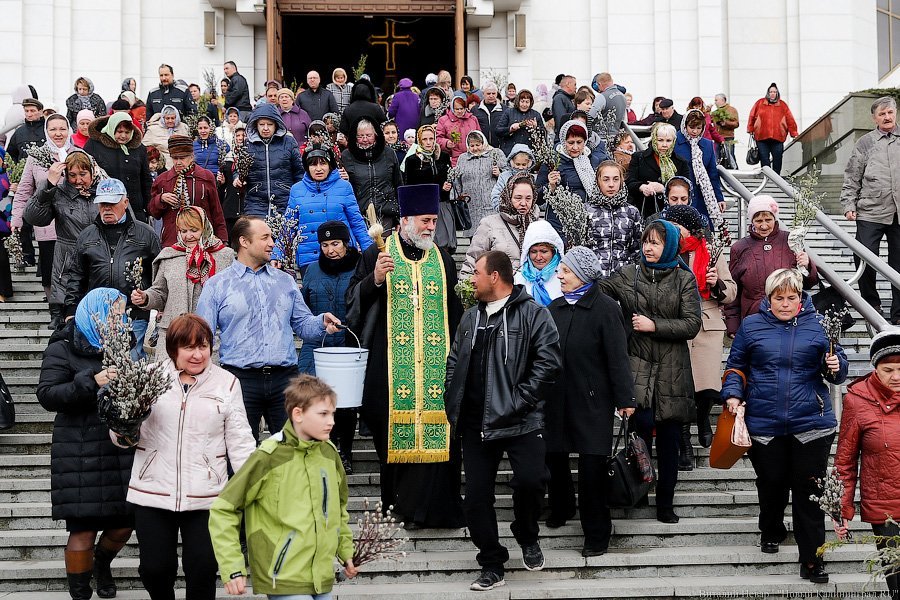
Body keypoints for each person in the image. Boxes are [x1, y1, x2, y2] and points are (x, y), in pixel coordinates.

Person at [346, 183, 464, 529]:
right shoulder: (377, 255)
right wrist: (375, 280)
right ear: (405, 221)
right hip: (389, 369)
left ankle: (437, 512)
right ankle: (402, 508)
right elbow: (351, 303)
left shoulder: (442, 259)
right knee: (393, 435)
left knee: (441, 436)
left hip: (435, 370)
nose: (431, 227)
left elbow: (454, 312)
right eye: (425, 220)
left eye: (434, 220)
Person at [114, 313, 255, 600]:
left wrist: (253, 485)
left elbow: (240, 441)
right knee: (154, 569)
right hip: (153, 490)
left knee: (203, 568)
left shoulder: (227, 383)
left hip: (208, 495)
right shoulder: (149, 378)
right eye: (189, 347)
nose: (198, 354)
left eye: (203, 346)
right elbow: (120, 435)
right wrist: (124, 429)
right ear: (173, 349)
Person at [444, 250, 562, 590]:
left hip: (521, 420)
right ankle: (492, 562)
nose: (471, 279)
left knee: (531, 482)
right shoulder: (470, 317)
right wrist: (452, 393)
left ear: (494, 276)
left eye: (476, 273)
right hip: (475, 423)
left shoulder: (534, 314)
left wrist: (519, 401)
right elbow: (454, 360)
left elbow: (549, 364)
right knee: (476, 498)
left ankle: (526, 533)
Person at [723, 268, 848, 584]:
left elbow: (838, 369)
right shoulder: (752, 326)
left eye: (792, 297)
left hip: (811, 423)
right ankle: (771, 528)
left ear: (800, 298)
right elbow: (736, 367)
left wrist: (836, 366)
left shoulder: (819, 324)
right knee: (771, 483)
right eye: (779, 298)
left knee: (810, 493)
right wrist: (733, 395)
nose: (785, 303)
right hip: (764, 423)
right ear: (769, 298)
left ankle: (812, 560)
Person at [208, 375, 357, 598]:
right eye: (323, 414)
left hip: (322, 577)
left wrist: (346, 551)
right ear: (298, 414)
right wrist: (232, 566)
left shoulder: (329, 454)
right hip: (283, 576)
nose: (331, 422)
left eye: (333, 414)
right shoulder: (268, 456)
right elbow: (224, 509)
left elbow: (339, 509)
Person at [196, 216, 342, 441]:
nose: (272, 243)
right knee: (241, 452)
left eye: (272, 237)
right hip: (239, 379)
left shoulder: (285, 281)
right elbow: (202, 336)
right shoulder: (217, 285)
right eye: (265, 238)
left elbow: (303, 325)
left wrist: (321, 322)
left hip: (285, 380)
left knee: (292, 449)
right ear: (244, 242)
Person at [596, 220, 702, 524]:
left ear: (668, 246)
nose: (648, 248)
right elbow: (598, 289)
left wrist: (654, 325)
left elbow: (692, 324)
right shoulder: (629, 274)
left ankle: (665, 503)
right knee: (638, 438)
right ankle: (637, 492)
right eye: (645, 242)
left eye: (655, 243)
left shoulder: (684, 278)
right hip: (638, 368)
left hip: (672, 371)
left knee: (669, 443)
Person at [36, 288, 136, 600]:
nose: (120, 320)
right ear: (96, 314)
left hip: (117, 446)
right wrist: (91, 381)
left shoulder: (125, 344)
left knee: (125, 522)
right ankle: (80, 593)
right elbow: (47, 395)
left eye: (121, 314)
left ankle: (101, 564)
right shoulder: (62, 347)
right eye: (114, 314)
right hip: (79, 448)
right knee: (83, 528)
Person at [545, 246, 635, 551]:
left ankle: (597, 535)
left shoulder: (606, 308)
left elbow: (618, 357)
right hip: (556, 398)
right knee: (554, 455)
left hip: (593, 401)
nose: (559, 275)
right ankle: (561, 508)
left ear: (583, 275)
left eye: (566, 271)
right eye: (561, 270)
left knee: (591, 469)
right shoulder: (554, 308)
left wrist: (625, 399)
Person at [663, 204, 736, 468]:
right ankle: (684, 443)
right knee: (681, 388)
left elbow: (731, 292)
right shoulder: (665, 250)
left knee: (707, 387)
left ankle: (703, 417)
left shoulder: (710, 250)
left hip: (707, 323)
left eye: (677, 226)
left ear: (689, 228)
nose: (673, 231)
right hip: (676, 324)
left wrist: (716, 283)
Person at [834, 329, 900, 600]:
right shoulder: (857, 400)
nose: (896, 377)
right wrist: (842, 510)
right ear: (875, 369)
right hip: (884, 506)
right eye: (888, 370)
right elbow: (845, 460)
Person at [63, 178, 160, 354]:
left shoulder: (146, 234)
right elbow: (76, 275)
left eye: (112, 203)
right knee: (99, 366)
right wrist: (71, 310)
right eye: (103, 204)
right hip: (96, 316)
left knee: (132, 363)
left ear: (125, 203)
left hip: (134, 314)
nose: (107, 208)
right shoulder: (86, 236)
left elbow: (159, 276)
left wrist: (155, 302)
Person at [298, 220, 362, 472]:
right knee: (316, 400)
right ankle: (322, 450)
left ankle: (344, 452)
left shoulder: (359, 267)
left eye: (335, 243)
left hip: (348, 343)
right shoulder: (312, 270)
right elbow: (303, 308)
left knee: (345, 403)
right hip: (317, 344)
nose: (330, 250)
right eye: (325, 245)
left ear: (346, 243)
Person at [131, 206, 234, 358]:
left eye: (194, 230)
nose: (188, 236)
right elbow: (160, 292)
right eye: (183, 231)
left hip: (211, 336)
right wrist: (145, 297)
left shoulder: (225, 256)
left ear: (205, 228)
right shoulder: (169, 255)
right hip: (172, 335)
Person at [23, 150, 101, 328]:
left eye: (83, 174)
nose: (78, 180)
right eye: (72, 175)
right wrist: (48, 185)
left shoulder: (104, 191)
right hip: (68, 261)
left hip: (99, 259)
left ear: (92, 172)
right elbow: (33, 217)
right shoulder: (59, 193)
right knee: (68, 326)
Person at [11, 113, 74, 326]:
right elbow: (24, 190)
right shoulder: (36, 157)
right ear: (46, 131)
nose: (58, 133)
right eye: (53, 129)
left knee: (74, 272)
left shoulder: (78, 154)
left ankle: (71, 312)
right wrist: (17, 219)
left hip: (75, 225)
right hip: (47, 226)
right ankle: (55, 312)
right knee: (49, 271)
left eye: (62, 129)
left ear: (69, 130)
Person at [841, 96, 900, 324]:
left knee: (899, 264)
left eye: (890, 112)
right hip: (870, 211)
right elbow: (852, 175)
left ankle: (898, 314)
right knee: (863, 256)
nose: (887, 117)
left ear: (895, 113)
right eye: (882, 114)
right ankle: (871, 303)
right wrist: (849, 204)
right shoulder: (865, 142)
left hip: (898, 213)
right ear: (874, 118)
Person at [726, 195, 817, 336]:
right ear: (752, 221)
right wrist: (733, 326)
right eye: (758, 221)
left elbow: (808, 283)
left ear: (775, 219)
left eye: (768, 220)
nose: (764, 226)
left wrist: (808, 265)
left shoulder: (791, 241)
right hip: (754, 319)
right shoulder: (739, 248)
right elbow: (733, 291)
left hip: (789, 318)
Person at [278, 143, 371, 270]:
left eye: (323, 163)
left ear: (330, 165)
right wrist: (278, 254)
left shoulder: (344, 187)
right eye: (313, 164)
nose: (318, 169)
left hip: (342, 256)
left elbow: (357, 222)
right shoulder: (296, 190)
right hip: (309, 258)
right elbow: (288, 226)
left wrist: (369, 251)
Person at [148, 134, 228, 247]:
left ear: (191, 156)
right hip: (172, 242)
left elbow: (216, 211)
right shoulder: (162, 180)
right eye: (175, 158)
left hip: (202, 242)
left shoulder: (206, 177)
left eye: (182, 158)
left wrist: (222, 239)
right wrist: (160, 199)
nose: (178, 162)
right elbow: (153, 212)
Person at [461, 173, 538, 278]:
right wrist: (466, 284)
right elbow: (472, 262)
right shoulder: (489, 224)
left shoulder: (539, 226)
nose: (523, 203)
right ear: (508, 197)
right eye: (518, 198)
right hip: (498, 286)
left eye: (528, 198)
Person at [235, 103, 304, 217]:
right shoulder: (247, 145)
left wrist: (298, 196)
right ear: (256, 125)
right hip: (255, 203)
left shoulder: (289, 142)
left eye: (270, 124)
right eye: (262, 124)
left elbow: (299, 172)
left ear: (276, 124)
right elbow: (238, 168)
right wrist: (237, 178)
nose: (265, 128)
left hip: (285, 202)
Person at [85, 111, 153, 222]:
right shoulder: (94, 145)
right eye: (119, 131)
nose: (123, 136)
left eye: (127, 132)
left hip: (135, 208)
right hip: (106, 208)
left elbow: (145, 179)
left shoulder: (139, 149)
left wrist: (149, 206)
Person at [402, 125, 455, 253]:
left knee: (444, 243)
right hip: (422, 206)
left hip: (441, 203)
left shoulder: (443, 157)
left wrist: (448, 185)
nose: (428, 142)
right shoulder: (412, 160)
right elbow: (410, 185)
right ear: (419, 140)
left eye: (431, 139)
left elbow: (449, 176)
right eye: (425, 139)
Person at [341, 116, 402, 229]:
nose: (365, 139)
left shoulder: (388, 153)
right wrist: (344, 179)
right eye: (360, 136)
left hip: (386, 212)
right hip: (358, 214)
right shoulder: (346, 156)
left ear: (376, 135)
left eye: (369, 135)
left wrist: (400, 216)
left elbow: (398, 183)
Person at [587, 160, 643, 277]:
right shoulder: (586, 211)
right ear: (597, 181)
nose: (611, 184)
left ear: (621, 181)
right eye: (606, 179)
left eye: (616, 179)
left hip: (624, 279)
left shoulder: (632, 212)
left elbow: (637, 249)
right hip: (594, 278)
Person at [673, 109, 726, 232]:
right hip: (681, 195)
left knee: (703, 232)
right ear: (685, 125)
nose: (695, 131)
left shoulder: (707, 144)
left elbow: (712, 174)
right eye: (691, 127)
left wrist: (719, 198)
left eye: (698, 128)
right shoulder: (675, 141)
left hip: (703, 196)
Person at [626, 123, 690, 219]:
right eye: (660, 140)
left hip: (672, 214)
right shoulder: (639, 157)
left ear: (673, 141)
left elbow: (687, 187)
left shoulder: (681, 162)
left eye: (668, 141)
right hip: (643, 211)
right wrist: (642, 187)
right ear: (654, 140)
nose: (664, 145)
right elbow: (629, 182)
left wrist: (664, 189)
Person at [451, 130, 506, 238]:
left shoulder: (495, 154)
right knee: (474, 238)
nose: (475, 148)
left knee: (491, 235)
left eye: (478, 145)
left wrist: (499, 173)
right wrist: (457, 197)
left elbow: (507, 174)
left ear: (483, 143)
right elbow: (457, 180)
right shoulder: (463, 158)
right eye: (472, 146)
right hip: (470, 206)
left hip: (490, 204)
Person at [747, 83, 798, 175]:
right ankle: (767, 177)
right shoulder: (760, 103)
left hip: (778, 138)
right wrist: (750, 129)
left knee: (777, 159)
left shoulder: (783, 105)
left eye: (774, 92)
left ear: (777, 93)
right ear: (768, 93)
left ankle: (776, 177)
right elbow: (752, 116)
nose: (772, 94)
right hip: (761, 137)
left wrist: (793, 133)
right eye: (771, 92)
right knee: (764, 159)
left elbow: (790, 119)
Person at [513, 220, 565, 307]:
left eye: (544, 251)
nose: (538, 257)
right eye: (533, 252)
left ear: (554, 252)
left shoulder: (564, 277)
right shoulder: (519, 278)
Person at [436, 93, 482, 167]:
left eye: (462, 109)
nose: (460, 111)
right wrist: (446, 143)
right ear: (452, 108)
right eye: (457, 109)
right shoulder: (443, 120)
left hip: (473, 156)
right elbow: (438, 138)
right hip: (454, 158)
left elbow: (480, 137)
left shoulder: (473, 119)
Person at [495, 89, 544, 156]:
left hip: (529, 152)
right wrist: (510, 129)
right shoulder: (509, 112)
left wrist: (536, 128)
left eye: (527, 102)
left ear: (531, 103)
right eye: (522, 101)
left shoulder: (535, 115)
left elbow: (543, 134)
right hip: (510, 151)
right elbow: (498, 131)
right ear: (518, 101)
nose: (524, 104)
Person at [143, 105, 190, 169]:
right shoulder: (153, 129)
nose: (170, 121)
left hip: (182, 163)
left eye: (173, 118)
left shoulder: (183, 128)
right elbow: (144, 147)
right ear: (163, 118)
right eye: (167, 118)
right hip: (162, 165)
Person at [491, 143, 535, 208]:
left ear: (529, 164)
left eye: (524, 164)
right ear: (512, 163)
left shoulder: (532, 178)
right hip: (506, 211)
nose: (520, 167)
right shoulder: (504, 177)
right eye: (518, 164)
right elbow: (496, 193)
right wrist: (501, 208)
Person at [192, 115, 230, 182]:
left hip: (214, 180)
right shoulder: (193, 145)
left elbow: (227, 149)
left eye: (205, 128)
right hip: (198, 180)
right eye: (200, 128)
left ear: (210, 128)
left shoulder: (220, 144)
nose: (203, 131)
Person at [591, 72, 627, 141]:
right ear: (612, 81)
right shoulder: (623, 96)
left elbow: (590, 116)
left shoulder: (602, 96)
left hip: (601, 138)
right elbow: (623, 119)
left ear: (599, 84)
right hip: (616, 137)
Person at [473, 82, 506, 148]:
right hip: (481, 147)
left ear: (497, 94)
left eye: (493, 93)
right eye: (488, 93)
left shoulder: (504, 109)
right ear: (483, 94)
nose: (491, 96)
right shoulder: (475, 110)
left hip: (500, 147)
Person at [712, 93, 740, 168]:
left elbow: (736, 123)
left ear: (722, 100)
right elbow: (707, 119)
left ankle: (734, 171)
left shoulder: (732, 110)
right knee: (716, 157)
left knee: (730, 156)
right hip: (717, 138)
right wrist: (707, 110)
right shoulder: (715, 112)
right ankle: (717, 171)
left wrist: (725, 123)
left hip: (728, 137)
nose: (715, 102)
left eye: (716, 100)